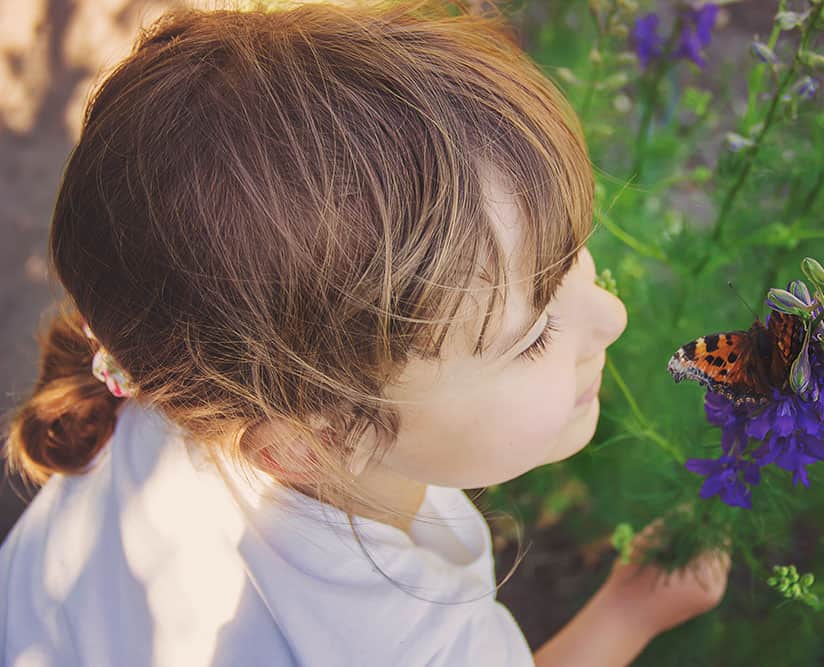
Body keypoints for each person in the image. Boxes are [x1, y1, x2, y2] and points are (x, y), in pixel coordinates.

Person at [0, 1, 730, 665]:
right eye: (534, 335)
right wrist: (629, 612)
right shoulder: (412, 641)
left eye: (572, 259)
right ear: (305, 443)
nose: (614, 315)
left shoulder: (200, 372)